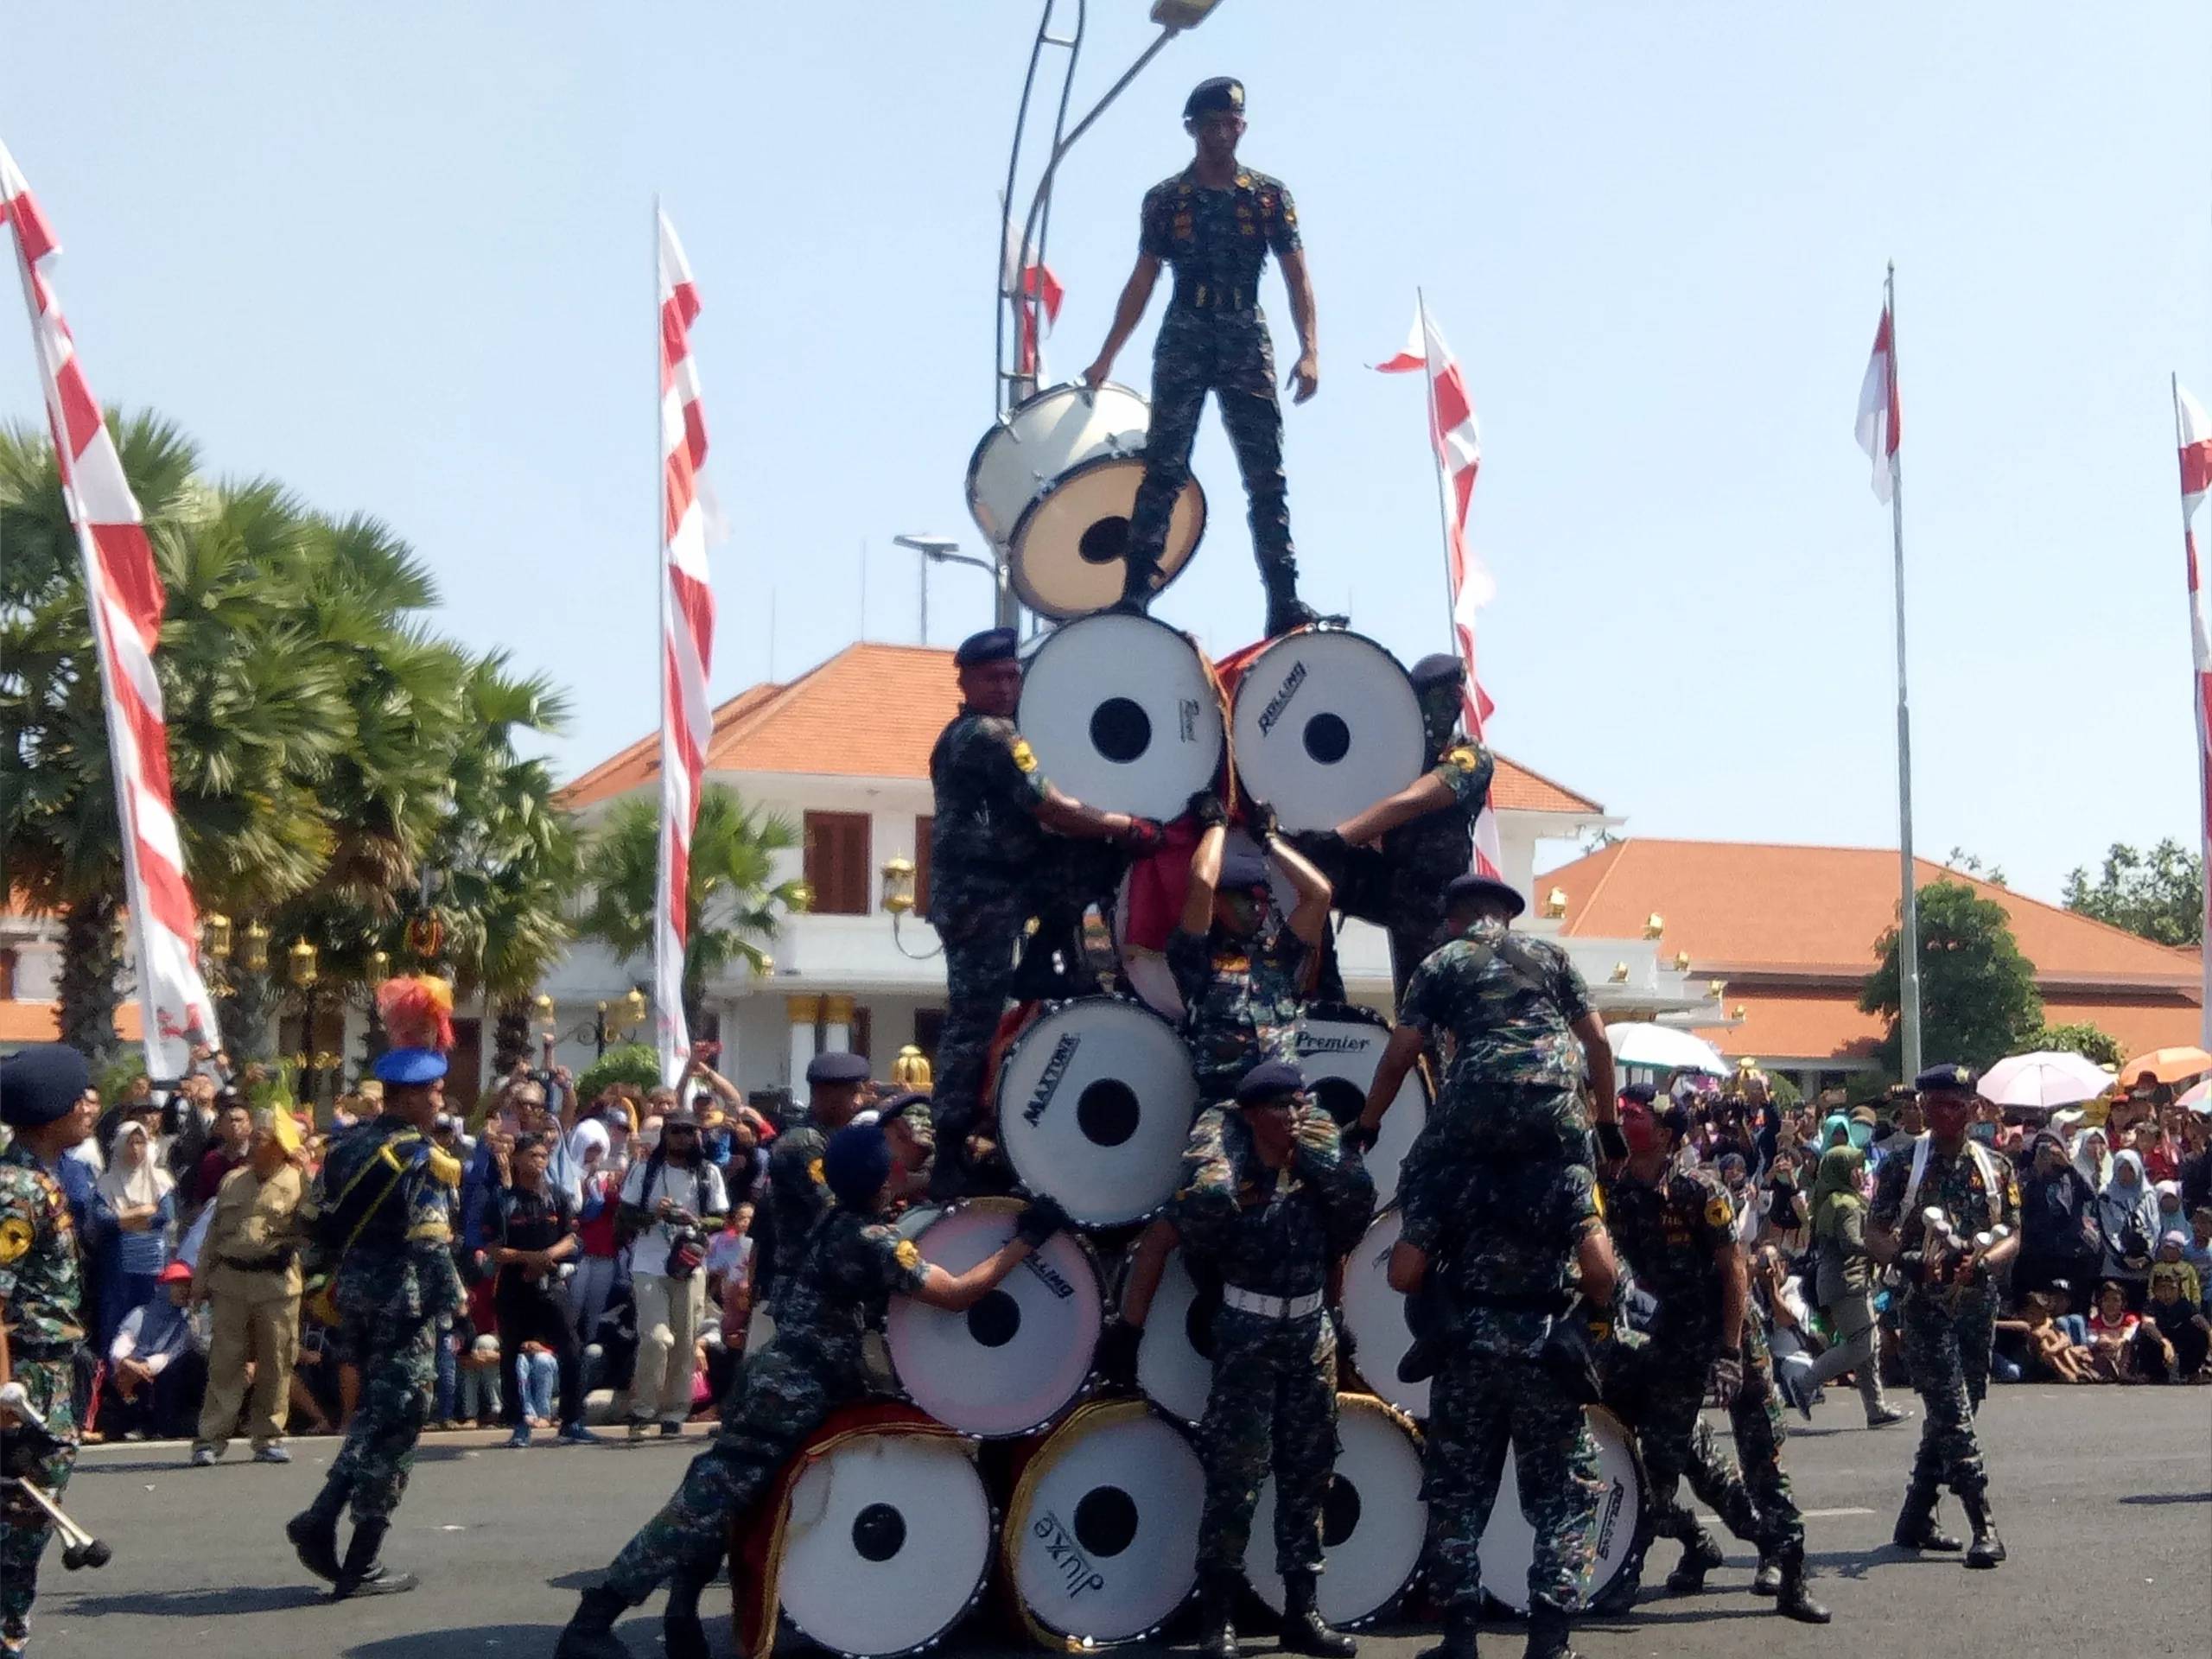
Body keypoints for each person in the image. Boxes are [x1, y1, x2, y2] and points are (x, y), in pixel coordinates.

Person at [556, 1123, 1067, 1659]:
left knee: (718, 1492)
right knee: (704, 1500)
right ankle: (595, 1619)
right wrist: (1027, 1239)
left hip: (779, 1374)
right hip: (793, 1388)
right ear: (883, 1181)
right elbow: (960, 1293)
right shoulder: (874, 1241)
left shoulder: (832, 1216)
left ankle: (682, 1609)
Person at [925, 626, 1163, 1196]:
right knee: (973, 1021)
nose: (1006, 685)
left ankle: (1046, 948)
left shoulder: (988, 732)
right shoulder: (987, 734)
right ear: (965, 681)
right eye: (993, 677)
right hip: (979, 896)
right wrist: (1126, 825)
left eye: (1013, 675)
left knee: (1091, 857)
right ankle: (949, 1150)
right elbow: (1048, 805)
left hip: (1012, 882)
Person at [1084, 77, 1323, 637]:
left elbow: (1297, 276)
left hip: (1245, 330)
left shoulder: (1269, 196)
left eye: (1232, 123)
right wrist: (1107, 355)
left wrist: (1311, 349)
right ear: (1192, 129)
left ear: (1242, 127)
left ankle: (1284, 597)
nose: (1222, 134)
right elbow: (1142, 280)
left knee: (1265, 473)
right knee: (1164, 466)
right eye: (1211, 124)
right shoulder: (1167, 200)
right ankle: (1136, 590)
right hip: (1186, 331)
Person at [1386, 1082, 1618, 1659]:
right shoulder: (1567, 1181)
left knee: (1457, 1496)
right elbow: (1604, 1274)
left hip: (1467, 1355)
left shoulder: (1448, 1182)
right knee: (1565, 1501)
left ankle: (1459, 1638)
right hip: (1542, 1354)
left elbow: (1403, 1272)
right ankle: (1548, 1641)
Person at [1596, 1091, 1827, 1622]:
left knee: (1761, 1456)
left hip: (1731, 1334)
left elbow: (1734, 1273)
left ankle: (1791, 1572)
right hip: (1671, 1338)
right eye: (1625, 1114)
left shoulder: (1701, 1191)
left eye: (1638, 1116)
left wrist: (1729, 1353)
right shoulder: (1616, 1186)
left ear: (1666, 1134)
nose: (1626, 1120)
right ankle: (1643, 1565)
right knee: (1660, 1460)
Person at [285, 976, 468, 1601]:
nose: (442, 1101)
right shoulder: (421, 1157)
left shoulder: (344, 1147)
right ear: (411, 1098)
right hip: (406, 1298)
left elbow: (312, 1223)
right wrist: (458, 1304)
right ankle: (347, 1547)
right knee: (400, 1420)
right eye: (436, 1091)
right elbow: (429, 1239)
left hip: (352, 1297)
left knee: (376, 1413)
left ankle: (334, 1532)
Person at [1358, 874, 1619, 1271]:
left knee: (1422, 1170)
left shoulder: (1440, 962)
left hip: (1477, 1098)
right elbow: (1598, 1042)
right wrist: (1606, 1128)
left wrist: (1368, 1122)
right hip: (1555, 1100)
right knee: (1577, 1186)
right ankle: (1599, 1282)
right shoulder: (1551, 956)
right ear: (1507, 917)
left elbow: (1402, 1053)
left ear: (1452, 922)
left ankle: (1414, 1264)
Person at [1868, 1064, 2020, 1570]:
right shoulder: (1900, 1165)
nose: (1945, 1115)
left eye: (1955, 1104)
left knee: (1963, 1405)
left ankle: (1915, 1516)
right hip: (1923, 1306)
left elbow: (2012, 1234)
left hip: (1976, 1306)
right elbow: (1875, 1233)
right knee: (1952, 1411)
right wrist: (1905, 1259)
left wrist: (1983, 1268)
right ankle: (1984, 1523)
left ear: (1974, 1108)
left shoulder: (1996, 1167)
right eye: (1934, 1106)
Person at [1295, 656, 1495, 1001]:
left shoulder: (1468, 755)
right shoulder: (1394, 751)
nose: (1445, 703)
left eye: (1449, 693)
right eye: (1433, 695)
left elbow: (1412, 801)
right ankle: (1324, 992)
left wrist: (1338, 839)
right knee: (1308, 871)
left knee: (1422, 1004)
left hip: (1435, 899)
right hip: (1390, 880)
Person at [0, 1045, 100, 1656]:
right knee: (19, 1524)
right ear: (47, 1113)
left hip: (52, 1372)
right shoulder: (16, 1192)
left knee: (30, 1520)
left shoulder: (44, 1180)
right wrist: (5, 1399)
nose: (90, 1106)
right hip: (28, 1378)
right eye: (78, 1097)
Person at [1169, 796, 1334, 1105]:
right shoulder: (1196, 957)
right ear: (1218, 902)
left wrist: (1269, 839)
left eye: (1261, 899)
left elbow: (1319, 893)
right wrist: (1216, 826)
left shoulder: (1279, 957)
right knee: (1206, 1157)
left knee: (1333, 1152)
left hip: (1289, 1107)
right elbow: (1203, 882)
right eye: (1243, 897)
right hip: (1228, 1105)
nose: (1256, 908)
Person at [191, 1107, 307, 1466]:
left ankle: (269, 1435)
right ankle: (210, 1439)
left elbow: (316, 1228)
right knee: (225, 1362)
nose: (253, 1145)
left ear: (279, 1145)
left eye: (262, 1140)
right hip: (230, 1282)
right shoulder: (232, 1181)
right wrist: (200, 1282)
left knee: (276, 1360)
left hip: (276, 1283)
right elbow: (211, 1236)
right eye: (253, 1139)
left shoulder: (299, 1182)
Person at [618, 1108, 728, 1440]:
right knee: (655, 1337)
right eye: (675, 1131)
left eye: (688, 1131)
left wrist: (691, 1221)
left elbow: (720, 1219)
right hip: (648, 1264)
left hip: (689, 1264)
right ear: (665, 1135)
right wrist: (656, 1214)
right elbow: (624, 1216)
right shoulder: (645, 1171)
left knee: (684, 1340)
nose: (682, 1137)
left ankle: (674, 1412)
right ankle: (642, 1408)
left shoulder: (708, 1173)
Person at [1781, 1144, 1907, 1427]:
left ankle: (1876, 1409)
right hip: (1847, 1281)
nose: (1860, 1173)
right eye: (1855, 1167)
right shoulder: (1846, 1204)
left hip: (1841, 1281)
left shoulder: (1833, 1200)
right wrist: (1883, 1248)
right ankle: (1804, 1383)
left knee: (1867, 1346)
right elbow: (1851, 1242)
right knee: (1862, 1344)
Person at [489, 1133, 593, 1446]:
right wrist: (528, 1259)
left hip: (552, 1283)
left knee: (572, 1349)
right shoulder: (503, 1201)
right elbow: (495, 1249)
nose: (539, 1161)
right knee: (511, 1352)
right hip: (514, 1285)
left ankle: (572, 1420)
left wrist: (547, 1257)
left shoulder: (558, 1197)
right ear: (517, 1159)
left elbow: (572, 1239)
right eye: (532, 1155)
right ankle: (519, 1421)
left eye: (543, 1156)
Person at [88, 1117, 177, 1354]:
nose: (135, 1149)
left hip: (152, 1264)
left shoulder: (159, 1179)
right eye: (130, 1143)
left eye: (140, 1143)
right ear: (118, 1146)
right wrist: (142, 1210)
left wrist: (122, 1217)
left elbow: (164, 1215)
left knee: (147, 1321)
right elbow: (102, 1220)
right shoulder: (106, 1182)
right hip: (118, 1267)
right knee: (115, 1321)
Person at [2017, 1128, 2102, 1298]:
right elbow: (2023, 1206)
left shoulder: (2070, 1176)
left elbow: (2090, 1195)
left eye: (2052, 1146)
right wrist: (2037, 1174)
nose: (2048, 1151)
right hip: (2039, 1253)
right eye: (2043, 1147)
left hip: (2071, 1252)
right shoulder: (2028, 1176)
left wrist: (2069, 1166)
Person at [2094, 1150, 2161, 1311]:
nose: (2126, 1174)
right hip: (2115, 1268)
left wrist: (2146, 1256)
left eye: (2130, 1169)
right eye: (2122, 1169)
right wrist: (2124, 1257)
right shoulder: (2106, 1196)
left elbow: (2155, 1227)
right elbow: (2108, 1232)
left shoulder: (2148, 1195)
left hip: (2143, 1269)